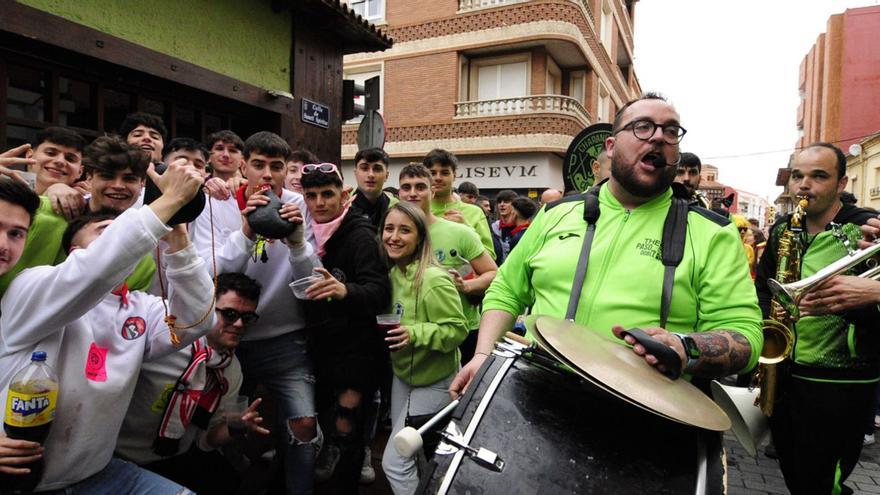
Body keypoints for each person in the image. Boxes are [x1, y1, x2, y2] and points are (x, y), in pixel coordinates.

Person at [450, 93, 762, 399]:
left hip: (648, 412)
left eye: (670, 131)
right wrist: (482, 355)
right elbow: (506, 290)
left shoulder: (713, 233)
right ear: (610, 147)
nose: (658, 137)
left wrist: (686, 347)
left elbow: (745, 335)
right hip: (535, 394)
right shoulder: (556, 213)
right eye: (642, 127)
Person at [0, 157, 211, 493]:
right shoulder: (31, 286)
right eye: (104, 232)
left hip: (99, 473)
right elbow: (96, 268)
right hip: (22, 482)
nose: (121, 239)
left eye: (15, 233)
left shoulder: (142, 307)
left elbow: (196, 321)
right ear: (73, 251)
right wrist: (168, 201)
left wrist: (178, 234)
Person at [189, 131, 320, 495]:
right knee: (218, 427)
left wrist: (297, 242)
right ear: (243, 166)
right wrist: (247, 230)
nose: (267, 175)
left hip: (284, 338)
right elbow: (208, 272)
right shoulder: (217, 204)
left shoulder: (297, 202)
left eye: (276, 167)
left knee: (304, 422)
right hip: (226, 336)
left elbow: (309, 283)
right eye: (258, 165)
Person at [755, 142, 880, 495]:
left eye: (818, 176)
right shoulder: (783, 229)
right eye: (798, 176)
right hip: (786, 372)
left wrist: (862, 298)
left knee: (824, 481)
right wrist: (769, 325)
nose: (803, 186)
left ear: (842, 183)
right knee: (795, 473)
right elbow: (765, 285)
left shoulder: (867, 227)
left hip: (842, 380)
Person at [116, 272, 267, 494]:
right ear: (206, 309)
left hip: (174, 456)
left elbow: (205, 440)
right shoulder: (166, 341)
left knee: (228, 481)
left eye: (248, 317)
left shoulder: (230, 371)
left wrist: (236, 428)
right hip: (118, 455)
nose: (238, 324)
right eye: (229, 314)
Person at [298, 163, 390, 492]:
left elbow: (380, 292)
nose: (320, 202)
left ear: (344, 195)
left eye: (327, 194)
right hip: (322, 344)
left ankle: (346, 481)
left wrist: (345, 290)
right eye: (312, 196)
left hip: (357, 349)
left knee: (347, 422)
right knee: (325, 419)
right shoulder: (307, 230)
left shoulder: (360, 235)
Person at [378, 202, 468, 494]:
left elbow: (457, 329)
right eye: (389, 228)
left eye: (405, 230)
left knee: (394, 460)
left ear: (420, 238)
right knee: (411, 452)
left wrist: (415, 333)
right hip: (403, 376)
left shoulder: (433, 280)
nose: (394, 236)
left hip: (437, 382)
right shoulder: (391, 275)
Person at [0, 136, 160, 295]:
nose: (118, 185)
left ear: (142, 185)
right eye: (107, 176)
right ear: (90, 178)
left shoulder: (142, 258)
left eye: (129, 179)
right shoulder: (40, 212)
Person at [398, 164, 497, 364]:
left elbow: (492, 273)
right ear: (399, 193)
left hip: (460, 332)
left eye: (420, 187)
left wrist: (467, 286)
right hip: (408, 333)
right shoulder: (391, 234)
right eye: (406, 187)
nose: (413, 193)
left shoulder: (459, 232)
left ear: (432, 189)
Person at [425, 149, 495, 259]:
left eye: (444, 173)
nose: (438, 178)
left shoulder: (475, 212)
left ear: (454, 175)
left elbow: (490, 256)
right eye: (432, 173)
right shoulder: (417, 210)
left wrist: (466, 227)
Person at [350, 147, 397, 229]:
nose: (371, 174)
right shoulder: (342, 204)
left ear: (386, 175)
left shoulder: (396, 207)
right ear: (355, 173)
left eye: (377, 169)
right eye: (364, 168)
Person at [490, 189, 518, 263]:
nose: (502, 204)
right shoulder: (493, 227)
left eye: (506, 202)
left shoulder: (523, 227)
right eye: (499, 202)